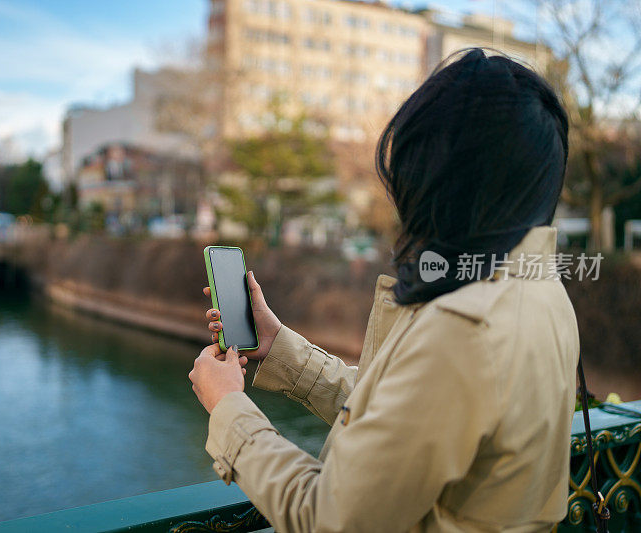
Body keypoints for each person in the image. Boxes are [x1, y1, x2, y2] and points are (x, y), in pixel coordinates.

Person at [188, 48, 577, 532]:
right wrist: (281, 347)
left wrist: (228, 407)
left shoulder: (466, 328)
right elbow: (405, 421)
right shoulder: (538, 291)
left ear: (440, 177)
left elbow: (330, 518)